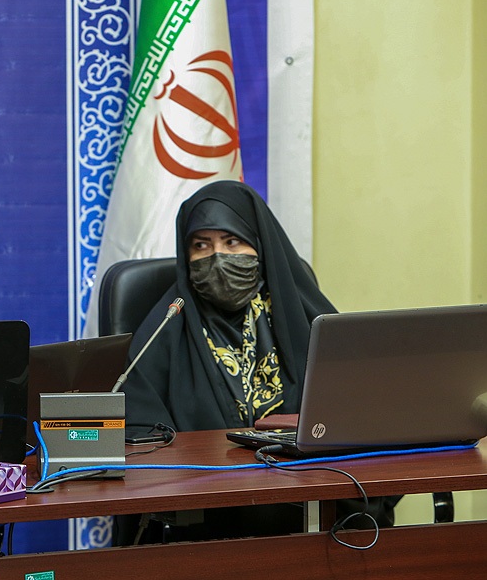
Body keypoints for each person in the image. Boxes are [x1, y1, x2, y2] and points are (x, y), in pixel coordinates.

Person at [116, 180, 399, 543]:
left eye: (232, 241)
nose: (217, 257)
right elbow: (139, 432)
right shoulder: (166, 325)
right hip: (207, 519)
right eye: (201, 245)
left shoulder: (303, 316)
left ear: (259, 244)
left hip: (311, 508)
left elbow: (368, 407)